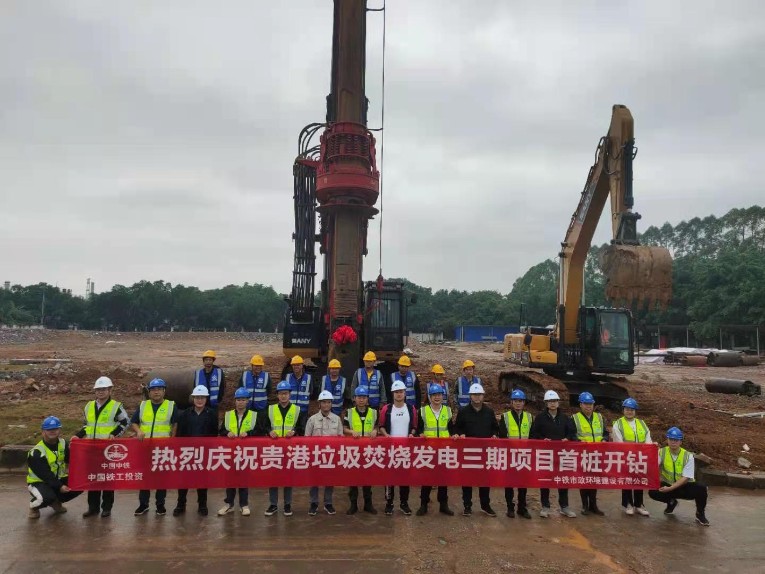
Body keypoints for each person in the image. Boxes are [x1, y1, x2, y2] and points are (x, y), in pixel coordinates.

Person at [72, 375, 129, 518]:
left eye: (104, 389)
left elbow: (125, 422)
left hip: (107, 449)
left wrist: (114, 434)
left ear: (110, 390)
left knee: (108, 479)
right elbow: (87, 425)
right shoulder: (89, 406)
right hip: (91, 449)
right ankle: (93, 508)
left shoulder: (116, 406)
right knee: (93, 478)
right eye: (98, 389)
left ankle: (107, 508)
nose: (101, 392)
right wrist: (78, 436)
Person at [219, 387, 270, 516]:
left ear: (247, 401)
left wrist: (249, 433)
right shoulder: (228, 415)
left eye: (243, 400)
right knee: (230, 479)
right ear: (235, 401)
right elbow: (221, 430)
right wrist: (227, 433)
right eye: (238, 400)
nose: (240, 402)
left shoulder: (254, 415)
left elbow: (260, 431)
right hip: (230, 452)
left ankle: (244, 504)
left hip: (246, 452)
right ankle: (229, 504)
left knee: (243, 479)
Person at [131, 378, 178, 516]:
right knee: (144, 477)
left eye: (159, 389)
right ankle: (143, 504)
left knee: (161, 478)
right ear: (149, 392)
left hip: (162, 449)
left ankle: (160, 505)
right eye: (153, 390)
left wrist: (172, 440)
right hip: (145, 447)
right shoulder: (143, 405)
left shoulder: (171, 405)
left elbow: (175, 423)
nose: (156, 392)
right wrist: (138, 431)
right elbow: (134, 422)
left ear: (164, 391)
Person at [529, 390, 577, 518]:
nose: (552, 404)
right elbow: (533, 434)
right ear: (546, 403)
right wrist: (542, 439)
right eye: (550, 401)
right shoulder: (540, 418)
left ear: (558, 402)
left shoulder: (565, 418)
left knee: (563, 480)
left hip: (562, 455)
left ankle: (564, 506)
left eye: (554, 401)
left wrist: (567, 438)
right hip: (546, 455)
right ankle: (545, 506)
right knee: (545, 480)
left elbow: (572, 433)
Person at [648, 427, 710, 526]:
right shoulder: (661, 452)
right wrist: (651, 449)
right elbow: (652, 466)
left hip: (684, 487)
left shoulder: (688, 456)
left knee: (702, 489)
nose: (673, 442)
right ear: (667, 440)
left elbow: (686, 478)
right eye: (671, 439)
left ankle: (700, 514)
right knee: (652, 491)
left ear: (680, 442)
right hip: (668, 484)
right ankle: (671, 502)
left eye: (676, 440)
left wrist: (670, 488)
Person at [454, 383, 499, 517]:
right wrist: (460, 434)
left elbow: (495, 428)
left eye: (479, 394)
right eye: (474, 395)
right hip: (468, 452)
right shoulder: (463, 411)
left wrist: (494, 435)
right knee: (467, 479)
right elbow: (457, 428)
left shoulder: (489, 412)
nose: (477, 397)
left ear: (483, 396)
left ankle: (485, 505)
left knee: (484, 480)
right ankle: (467, 506)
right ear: (470, 396)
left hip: (485, 452)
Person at [174, 385, 218, 517]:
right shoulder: (184, 414)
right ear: (193, 399)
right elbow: (180, 434)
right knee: (184, 480)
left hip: (203, 453)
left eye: (202, 398)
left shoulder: (212, 414)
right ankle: (181, 504)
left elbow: (214, 434)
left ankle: (202, 504)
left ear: (206, 399)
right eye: (197, 397)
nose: (200, 400)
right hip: (187, 453)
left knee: (202, 479)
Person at [27, 416, 82, 519]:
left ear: (59, 430)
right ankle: (34, 507)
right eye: (49, 429)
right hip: (38, 482)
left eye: (55, 429)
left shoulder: (63, 443)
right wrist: (60, 486)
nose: (52, 431)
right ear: (43, 432)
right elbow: (46, 475)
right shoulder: (37, 452)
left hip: (58, 479)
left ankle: (55, 502)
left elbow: (72, 460)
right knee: (46, 498)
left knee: (80, 483)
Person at [266, 380, 307, 517]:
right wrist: (269, 432)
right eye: (281, 393)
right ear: (277, 395)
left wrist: (294, 431)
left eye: (286, 393)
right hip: (274, 449)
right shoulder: (270, 409)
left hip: (290, 449)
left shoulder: (297, 410)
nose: (283, 396)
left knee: (288, 478)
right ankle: (273, 504)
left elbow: (301, 427)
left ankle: (287, 504)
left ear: (290, 394)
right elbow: (264, 425)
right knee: (273, 478)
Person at [415, 383, 455, 517]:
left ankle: (443, 504)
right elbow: (419, 428)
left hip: (444, 450)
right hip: (428, 450)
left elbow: (451, 428)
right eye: (434, 395)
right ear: (429, 397)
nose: (437, 397)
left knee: (443, 479)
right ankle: (423, 504)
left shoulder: (447, 411)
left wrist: (454, 434)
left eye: (439, 395)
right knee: (426, 479)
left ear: (442, 396)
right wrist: (420, 434)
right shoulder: (423, 411)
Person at [378, 380, 417, 515]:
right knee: (389, 478)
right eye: (396, 392)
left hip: (405, 450)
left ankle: (404, 503)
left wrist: (412, 434)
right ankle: (389, 503)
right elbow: (381, 426)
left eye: (401, 392)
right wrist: (386, 435)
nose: (399, 394)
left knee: (404, 478)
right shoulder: (386, 409)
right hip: (390, 450)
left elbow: (414, 426)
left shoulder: (411, 409)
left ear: (405, 393)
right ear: (392, 394)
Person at [306, 390, 344, 516]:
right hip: (316, 455)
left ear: (331, 404)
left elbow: (340, 437)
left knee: (329, 480)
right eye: (323, 402)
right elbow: (307, 438)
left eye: (328, 402)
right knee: (314, 480)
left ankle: (328, 503)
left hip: (330, 455)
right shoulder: (312, 420)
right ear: (319, 404)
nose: (326, 405)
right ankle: (314, 503)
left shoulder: (336, 419)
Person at [611, 397, 651, 516]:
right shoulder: (618, 424)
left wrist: (648, 450)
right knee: (627, 480)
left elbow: (648, 439)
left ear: (635, 411)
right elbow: (618, 442)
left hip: (640, 457)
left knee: (639, 480)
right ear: (623, 410)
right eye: (627, 409)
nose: (629, 412)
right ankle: (628, 503)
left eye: (632, 410)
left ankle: (639, 504)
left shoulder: (641, 423)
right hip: (626, 457)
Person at [344, 385, 379, 515]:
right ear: (354, 398)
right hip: (353, 450)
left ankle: (368, 504)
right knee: (353, 479)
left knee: (367, 479)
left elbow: (378, 426)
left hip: (368, 451)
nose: (361, 399)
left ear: (367, 399)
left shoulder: (374, 412)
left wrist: (375, 430)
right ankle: (353, 505)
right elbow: (344, 428)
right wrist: (351, 431)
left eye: (364, 397)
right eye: (359, 397)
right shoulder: (349, 412)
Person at [572, 391, 608, 516]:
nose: (588, 406)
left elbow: (605, 433)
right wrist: (578, 442)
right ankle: (585, 505)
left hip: (597, 454)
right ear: (580, 405)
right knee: (584, 480)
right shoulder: (575, 418)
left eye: (590, 404)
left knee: (594, 480)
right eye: (586, 404)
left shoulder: (599, 417)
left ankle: (593, 505)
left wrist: (605, 439)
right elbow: (572, 435)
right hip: (583, 454)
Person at [499, 389, 533, 519]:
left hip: (524, 456)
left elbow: (532, 436)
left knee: (523, 484)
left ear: (524, 403)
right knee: (509, 483)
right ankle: (510, 508)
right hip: (510, 456)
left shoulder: (529, 417)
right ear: (511, 402)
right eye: (516, 401)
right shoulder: (505, 417)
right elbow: (502, 436)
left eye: (520, 401)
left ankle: (522, 508)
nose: (518, 403)